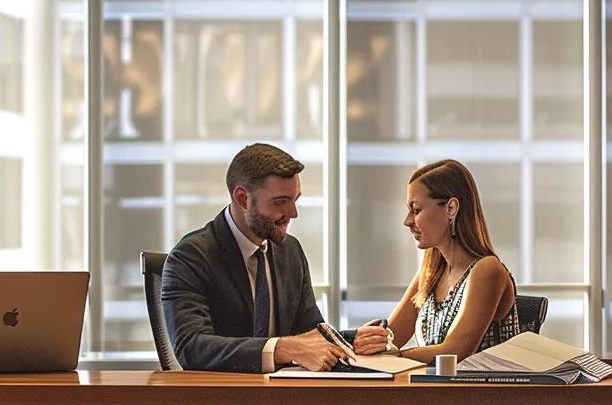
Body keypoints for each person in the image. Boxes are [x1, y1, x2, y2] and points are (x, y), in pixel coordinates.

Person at [161, 143, 349, 373]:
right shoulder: (190, 257)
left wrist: (353, 340)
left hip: (285, 391)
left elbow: (309, 333)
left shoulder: (290, 251)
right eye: (280, 202)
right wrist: (280, 349)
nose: (293, 213)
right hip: (221, 392)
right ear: (243, 199)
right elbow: (192, 347)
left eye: (295, 200)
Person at [353, 160, 520, 362]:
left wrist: (396, 354)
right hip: (433, 383)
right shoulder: (430, 273)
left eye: (416, 210)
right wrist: (366, 341)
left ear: (451, 208)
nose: (407, 221)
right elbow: (390, 337)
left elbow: (455, 352)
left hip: (482, 384)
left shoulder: (488, 270)